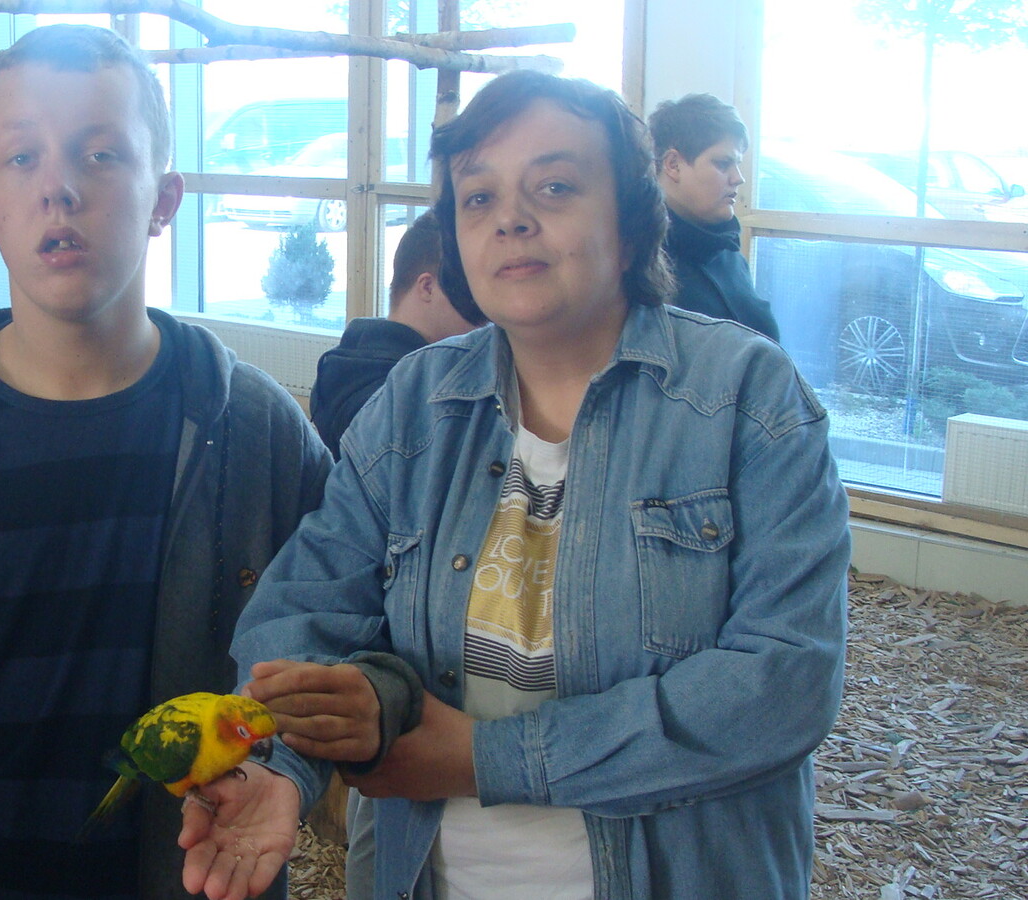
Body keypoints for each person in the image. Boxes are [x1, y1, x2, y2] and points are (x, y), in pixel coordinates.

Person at [181, 71, 851, 900]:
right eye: (478, 197)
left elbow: (784, 683)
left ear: (633, 223)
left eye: (555, 187)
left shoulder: (746, 398)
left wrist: (484, 758)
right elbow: (305, 608)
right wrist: (278, 760)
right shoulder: (418, 403)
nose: (510, 218)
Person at [0, 24, 331, 900]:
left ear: (164, 198)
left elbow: (340, 633)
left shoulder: (255, 432)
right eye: (22, 158)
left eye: (101, 154)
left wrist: (291, 773)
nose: (60, 188)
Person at [308, 209, 481, 457]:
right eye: (474, 295)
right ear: (428, 287)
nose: (489, 315)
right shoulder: (395, 399)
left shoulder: (349, 359)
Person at [648, 93, 781, 340]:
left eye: (737, 164)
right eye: (722, 163)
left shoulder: (726, 249)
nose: (738, 178)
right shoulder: (637, 259)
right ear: (673, 164)